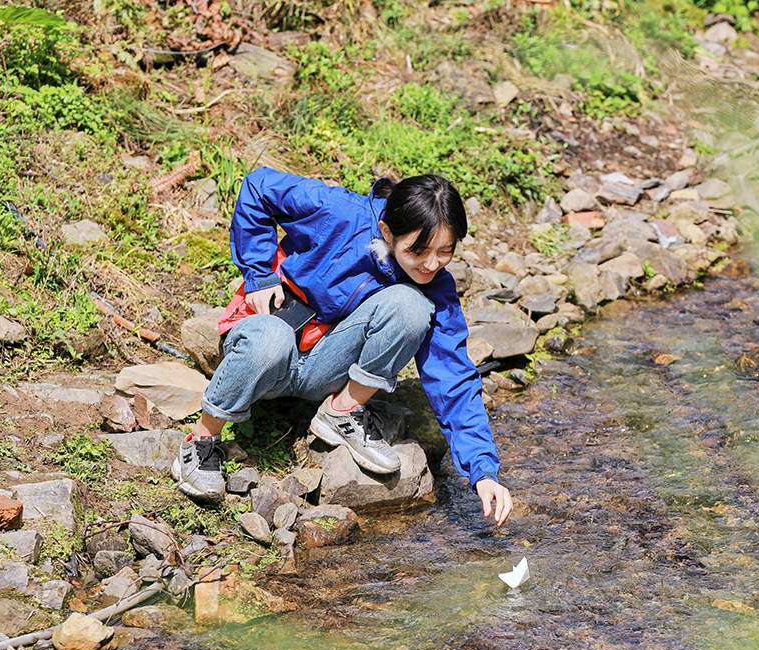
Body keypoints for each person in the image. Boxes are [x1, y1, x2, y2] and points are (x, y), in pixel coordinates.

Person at [171, 166, 513, 527]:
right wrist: (258, 274)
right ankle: (202, 440)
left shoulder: (434, 287)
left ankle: (341, 412)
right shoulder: (337, 211)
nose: (431, 264)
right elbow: (259, 187)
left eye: (445, 251)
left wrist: (483, 470)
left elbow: (453, 377)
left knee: (411, 306)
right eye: (418, 250)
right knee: (271, 340)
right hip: (264, 347)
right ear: (386, 231)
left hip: (323, 368)